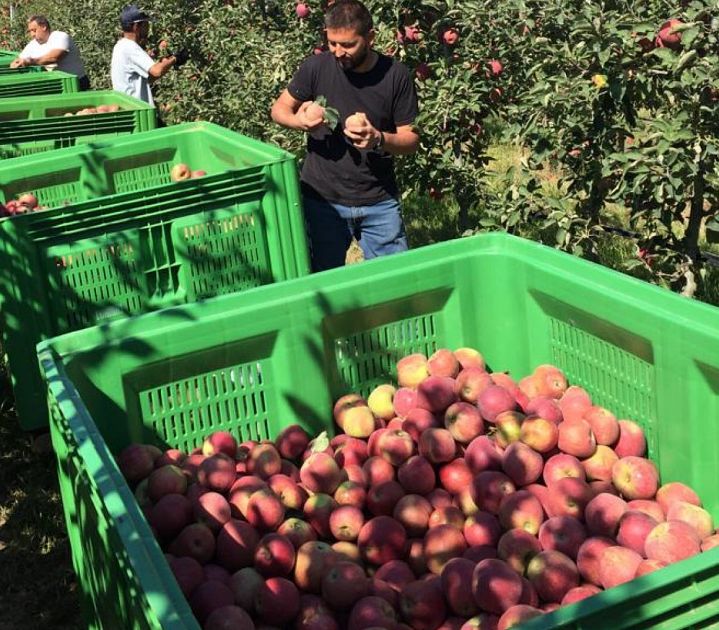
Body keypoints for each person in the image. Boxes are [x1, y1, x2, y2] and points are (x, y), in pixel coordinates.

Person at [271, 0, 420, 272]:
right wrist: (300, 121)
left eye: (348, 45)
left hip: (379, 201)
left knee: (394, 282)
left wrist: (378, 138)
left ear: (370, 38)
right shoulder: (316, 67)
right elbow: (279, 109)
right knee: (322, 283)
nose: (338, 52)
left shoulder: (396, 76)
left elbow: (411, 140)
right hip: (322, 199)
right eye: (332, 43)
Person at [111, 4, 187, 107]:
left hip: (131, 109)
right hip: (138, 112)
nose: (148, 29)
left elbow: (149, 78)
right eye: (146, 25)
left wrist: (165, 61)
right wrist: (175, 58)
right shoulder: (130, 47)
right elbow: (157, 71)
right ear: (136, 26)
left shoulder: (120, 46)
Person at [10, 15, 91, 90]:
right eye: (30, 31)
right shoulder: (33, 44)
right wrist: (17, 63)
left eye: (34, 30)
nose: (32, 34)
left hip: (76, 83)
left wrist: (30, 61)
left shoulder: (59, 37)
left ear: (44, 27)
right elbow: (20, 59)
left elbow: (54, 57)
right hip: (55, 84)